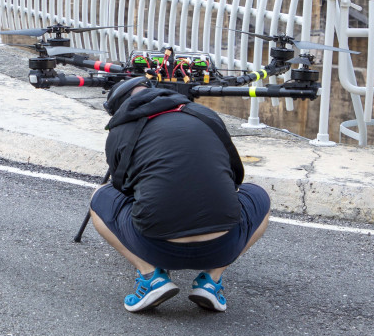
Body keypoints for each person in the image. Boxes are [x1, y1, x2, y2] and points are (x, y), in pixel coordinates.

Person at [88, 77, 272, 313]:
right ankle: (212, 281)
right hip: (223, 246)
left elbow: (121, 186)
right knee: (259, 196)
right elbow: (236, 176)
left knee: (100, 197)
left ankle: (150, 276)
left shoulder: (120, 129)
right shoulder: (205, 115)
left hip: (155, 246)